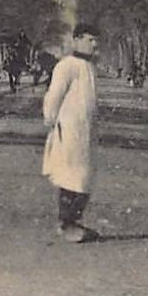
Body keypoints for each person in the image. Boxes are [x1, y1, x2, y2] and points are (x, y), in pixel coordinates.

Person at [42, 24, 101, 243]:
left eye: (96, 40)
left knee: (85, 177)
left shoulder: (89, 67)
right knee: (71, 176)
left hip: (86, 131)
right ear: (76, 40)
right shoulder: (67, 66)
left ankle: (74, 222)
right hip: (69, 130)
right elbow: (54, 95)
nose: (94, 44)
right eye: (90, 39)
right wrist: (51, 120)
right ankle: (66, 224)